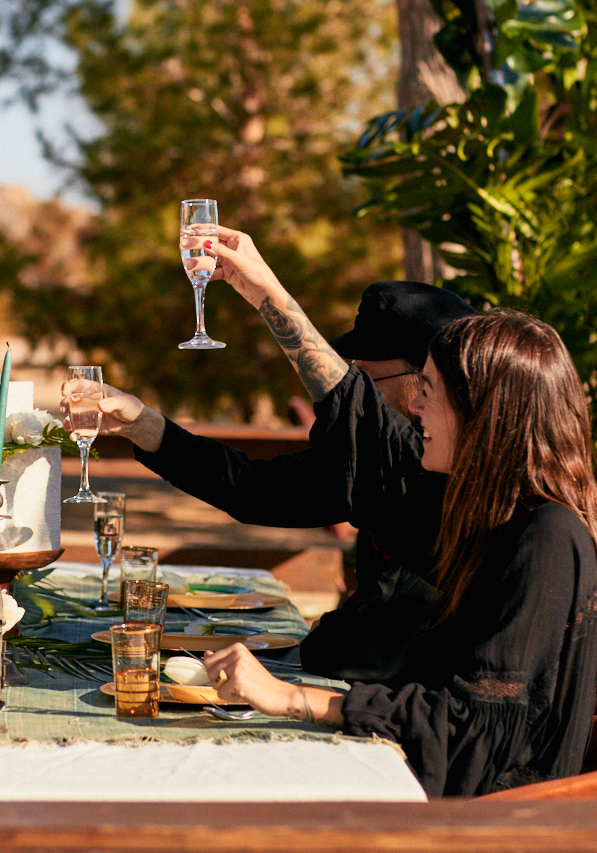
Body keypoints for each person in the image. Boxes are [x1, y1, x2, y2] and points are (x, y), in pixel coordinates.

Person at [195, 229, 597, 797]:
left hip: (490, 827)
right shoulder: (481, 512)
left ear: (484, 409)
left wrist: (294, 698)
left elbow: (476, 730)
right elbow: (278, 476)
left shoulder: (546, 537)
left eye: (430, 389)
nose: (418, 405)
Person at [88, 280, 476, 681]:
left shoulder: (453, 474)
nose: (368, 401)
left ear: (426, 379)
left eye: (370, 383)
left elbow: (383, 641)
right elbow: (255, 488)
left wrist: (258, 285)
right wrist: (146, 427)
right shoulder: (373, 467)